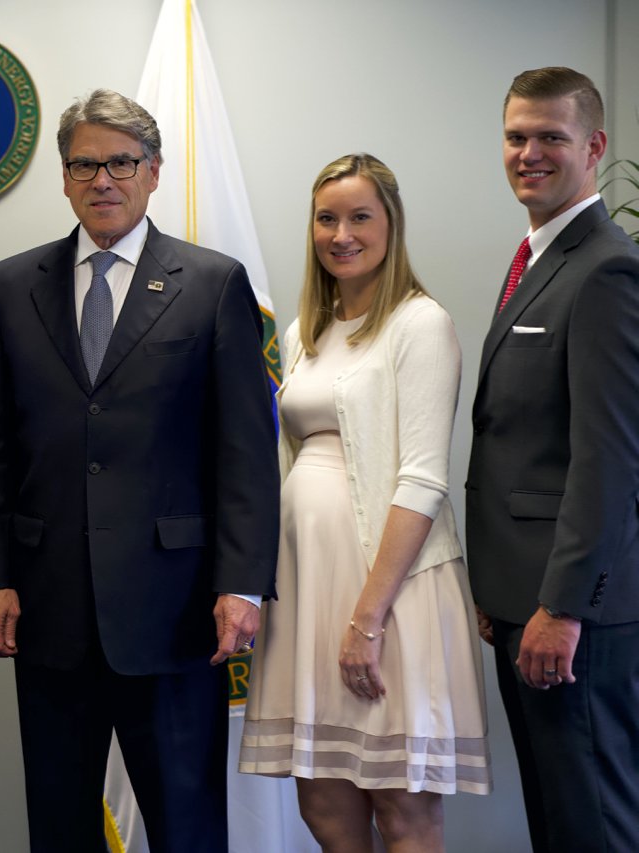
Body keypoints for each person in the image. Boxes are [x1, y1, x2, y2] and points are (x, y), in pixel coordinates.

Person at [0, 89, 278, 853]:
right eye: (85, 164)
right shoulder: (11, 286)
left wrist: (242, 583)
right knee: (60, 825)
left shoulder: (212, 283)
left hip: (175, 609)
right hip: (48, 606)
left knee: (186, 824)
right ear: (65, 177)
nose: (102, 179)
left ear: (153, 171)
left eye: (121, 162)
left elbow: (246, 449)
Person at [239, 153, 492, 852]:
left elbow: (423, 479)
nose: (341, 233)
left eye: (359, 217)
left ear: (391, 225)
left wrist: (368, 618)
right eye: (327, 218)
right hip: (307, 588)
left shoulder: (420, 323)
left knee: (403, 810)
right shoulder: (304, 334)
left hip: (389, 595)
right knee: (323, 802)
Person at [467, 66, 639, 852]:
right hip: (521, 600)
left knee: (593, 822)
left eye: (550, 137)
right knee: (555, 821)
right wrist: (499, 589)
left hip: (575, 614)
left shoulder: (605, 268)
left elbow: (607, 460)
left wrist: (561, 607)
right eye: (515, 136)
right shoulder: (539, 258)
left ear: (595, 146)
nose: (529, 153)